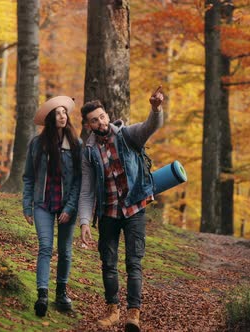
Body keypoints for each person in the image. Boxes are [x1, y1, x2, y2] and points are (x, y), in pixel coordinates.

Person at [78, 87, 165, 331]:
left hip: (134, 209)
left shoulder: (127, 136)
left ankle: (133, 314)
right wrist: (85, 222)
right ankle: (112, 310)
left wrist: (156, 109)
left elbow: (150, 126)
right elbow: (87, 190)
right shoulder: (89, 152)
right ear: (88, 126)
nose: (100, 122)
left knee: (134, 262)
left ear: (107, 115)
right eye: (94, 120)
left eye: (102, 116)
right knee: (108, 262)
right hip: (107, 213)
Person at [22, 96, 82, 317]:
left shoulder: (77, 144)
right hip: (43, 204)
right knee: (45, 247)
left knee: (65, 251)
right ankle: (42, 295)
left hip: (67, 205)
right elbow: (28, 177)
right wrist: (27, 207)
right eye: (57, 113)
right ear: (50, 118)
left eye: (64, 112)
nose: (62, 116)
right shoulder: (36, 144)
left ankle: (61, 293)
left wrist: (70, 208)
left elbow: (78, 180)